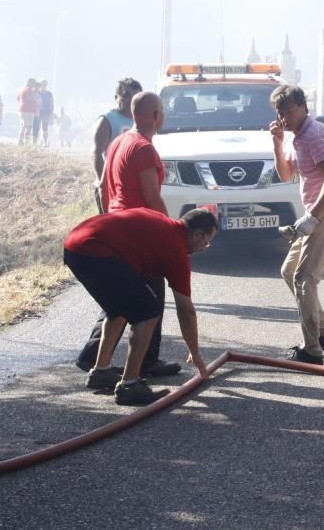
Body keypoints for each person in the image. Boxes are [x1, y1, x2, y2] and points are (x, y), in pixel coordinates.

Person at [75, 91, 181, 378]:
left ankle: (93, 356)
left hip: (118, 226)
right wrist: (171, 231)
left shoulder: (118, 142)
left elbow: (106, 188)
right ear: (157, 116)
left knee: (120, 298)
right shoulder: (144, 149)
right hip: (141, 232)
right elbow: (151, 197)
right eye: (161, 112)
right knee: (150, 298)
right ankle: (144, 362)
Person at [64, 208, 215, 405]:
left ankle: (101, 372)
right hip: (93, 250)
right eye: (206, 242)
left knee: (119, 309)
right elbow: (186, 310)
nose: (204, 248)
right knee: (147, 312)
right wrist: (195, 354)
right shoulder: (175, 248)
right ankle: (130, 385)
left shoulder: (165, 227)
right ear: (197, 234)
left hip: (75, 245)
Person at [270, 85, 324, 365]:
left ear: (304, 107)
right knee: (289, 270)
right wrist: (278, 143)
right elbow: (285, 174)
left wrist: (313, 217)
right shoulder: (295, 137)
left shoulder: (314, 136)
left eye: (289, 112)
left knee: (305, 278)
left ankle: (312, 350)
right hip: (316, 211)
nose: (285, 118)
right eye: (281, 114)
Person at [91, 77, 142, 212]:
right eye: (126, 95)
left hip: (133, 187)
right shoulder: (107, 120)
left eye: (135, 96)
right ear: (116, 97)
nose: (130, 100)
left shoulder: (142, 119)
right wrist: (104, 184)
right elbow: (96, 154)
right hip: (112, 188)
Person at [17, 78, 40, 145]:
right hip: (28, 111)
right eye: (33, 83)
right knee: (28, 127)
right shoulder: (29, 90)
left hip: (23, 110)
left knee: (23, 126)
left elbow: (18, 98)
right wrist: (36, 101)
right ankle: (26, 142)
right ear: (30, 82)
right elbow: (32, 98)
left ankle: (20, 141)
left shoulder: (22, 89)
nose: (34, 85)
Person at [39, 79, 54, 148]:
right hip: (38, 112)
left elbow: (52, 103)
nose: (44, 86)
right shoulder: (37, 93)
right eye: (42, 85)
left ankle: (45, 142)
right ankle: (39, 141)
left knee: (45, 127)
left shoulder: (49, 93)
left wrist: (51, 112)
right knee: (38, 127)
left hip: (46, 113)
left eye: (45, 85)